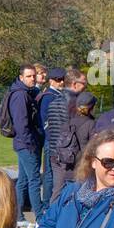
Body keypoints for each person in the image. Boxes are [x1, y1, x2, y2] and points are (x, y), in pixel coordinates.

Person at [5, 64, 43, 218]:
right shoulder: (20, 95)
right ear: (21, 78)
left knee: (23, 180)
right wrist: (31, 144)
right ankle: (39, 216)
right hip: (26, 144)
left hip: (22, 143)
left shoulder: (25, 92)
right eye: (29, 76)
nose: (32, 78)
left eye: (34, 75)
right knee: (34, 180)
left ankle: (18, 215)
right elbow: (21, 124)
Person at [52, 91, 98, 197]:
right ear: (91, 107)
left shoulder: (68, 123)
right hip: (83, 169)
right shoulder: (91, 124)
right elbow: (94, 148)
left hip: (67, 166)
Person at [37, 66, 71, 207]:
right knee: (49, 173)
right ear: (51, 81)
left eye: (63, 79)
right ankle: (46, 203)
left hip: (59, 139)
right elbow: (45, 121)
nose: (61, 82)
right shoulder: (48, 97)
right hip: (51, 140)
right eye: (58, 80)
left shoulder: (59, 95)